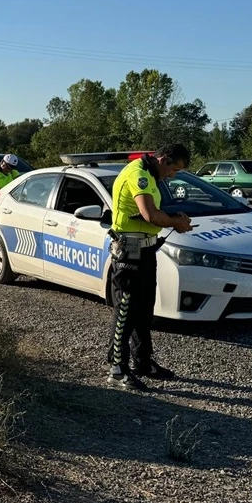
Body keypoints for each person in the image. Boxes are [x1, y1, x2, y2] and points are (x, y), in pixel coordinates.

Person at [106, 144, 194, 390]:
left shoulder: (152, 174)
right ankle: (116, 367)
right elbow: (150, 215)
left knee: (144, 308)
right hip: (129, 251)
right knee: (125, 309)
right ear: (163, 159)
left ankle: (141, 361)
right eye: (173, 169)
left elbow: (154, 213)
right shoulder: (139, 174)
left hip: (145, 249)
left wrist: (173, 216)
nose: (173, 175)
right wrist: (176, 223)